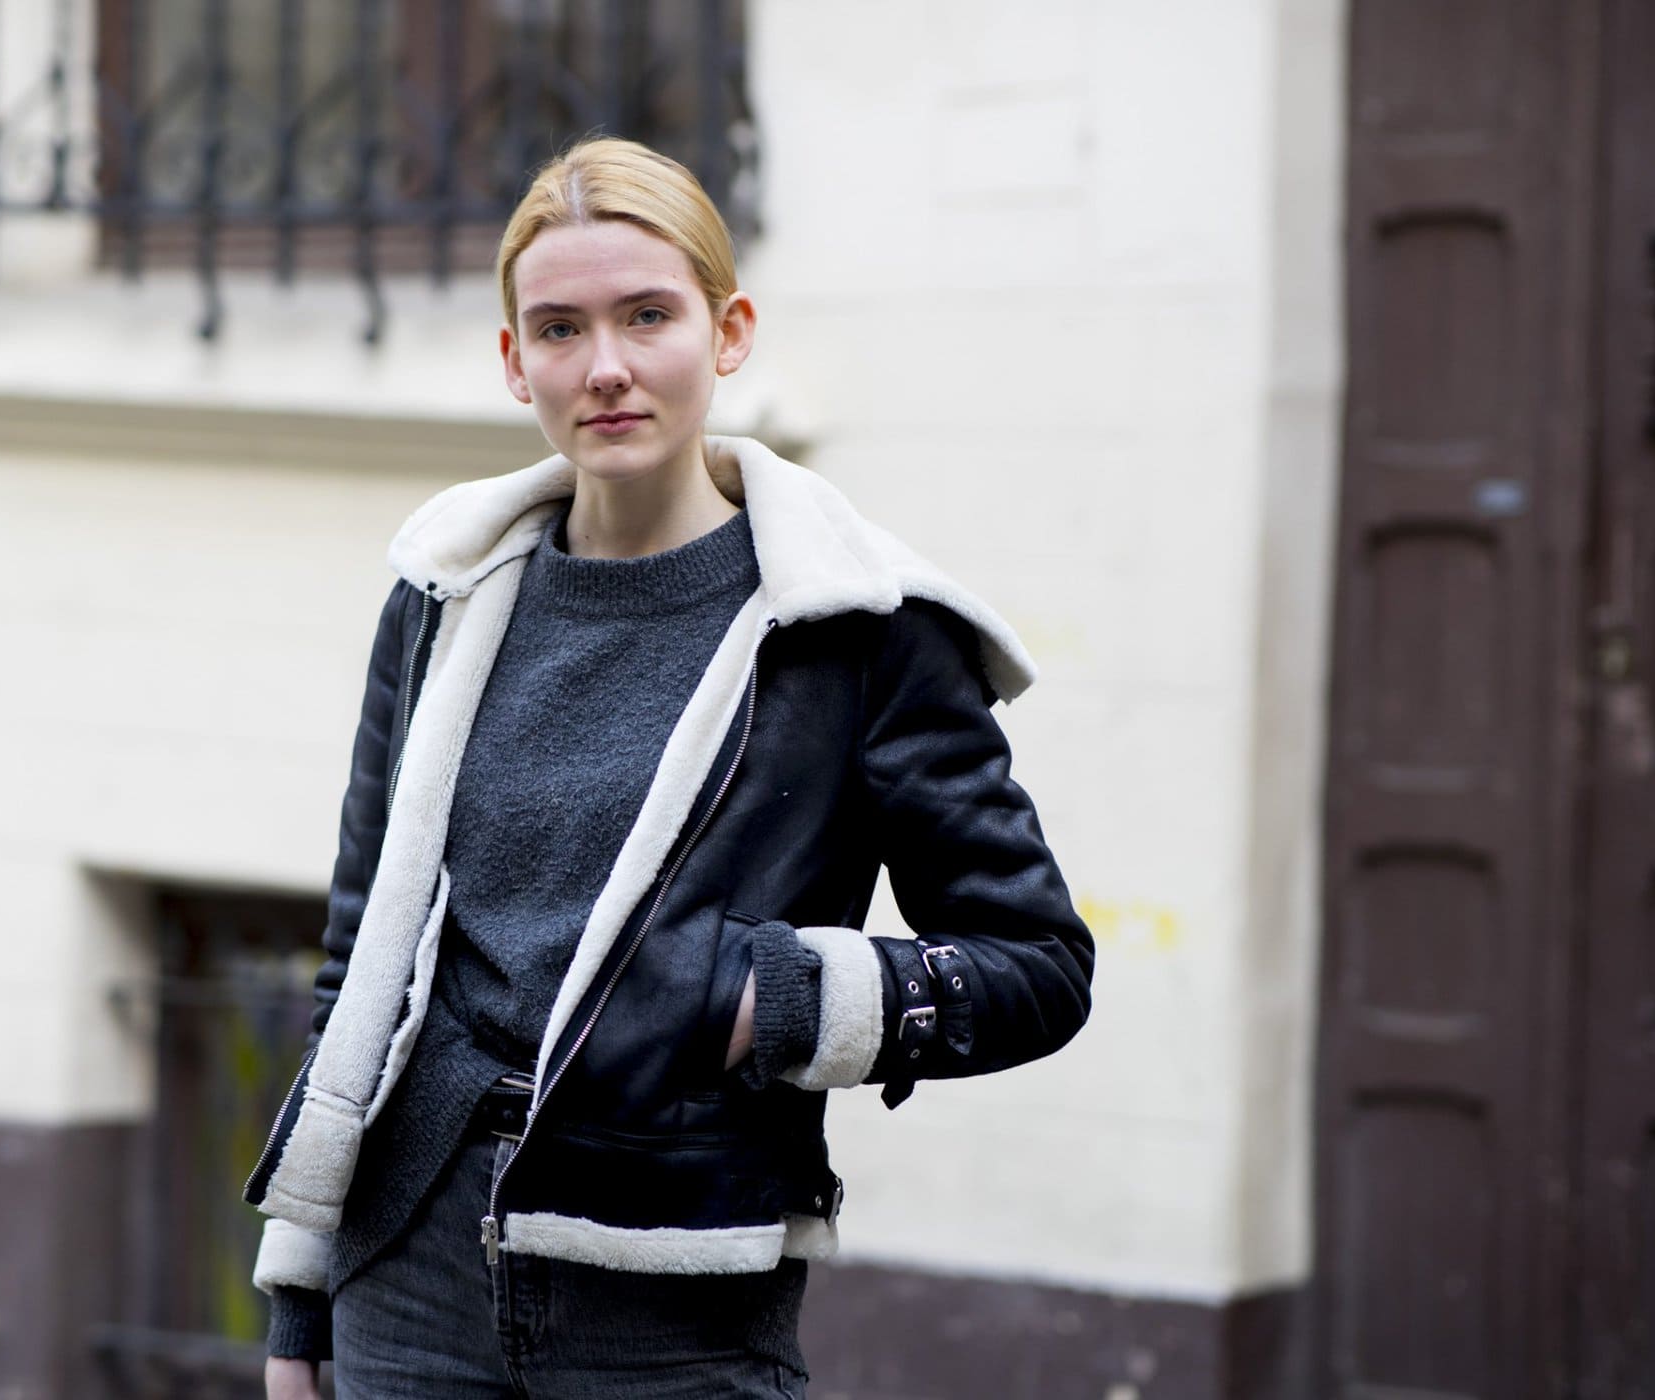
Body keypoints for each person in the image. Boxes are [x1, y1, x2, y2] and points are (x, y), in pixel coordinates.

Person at [247, 136, 1094, 1400]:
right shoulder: (445, 594)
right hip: (407, 1276)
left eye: (648, 315)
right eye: (560, 328)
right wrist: (299, 1291)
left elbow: (1040, 965)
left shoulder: (856, 628)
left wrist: (782, 997)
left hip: (673, 1293)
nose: (606, 366)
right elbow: (366, 951)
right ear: (514, 360)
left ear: (728, 331)